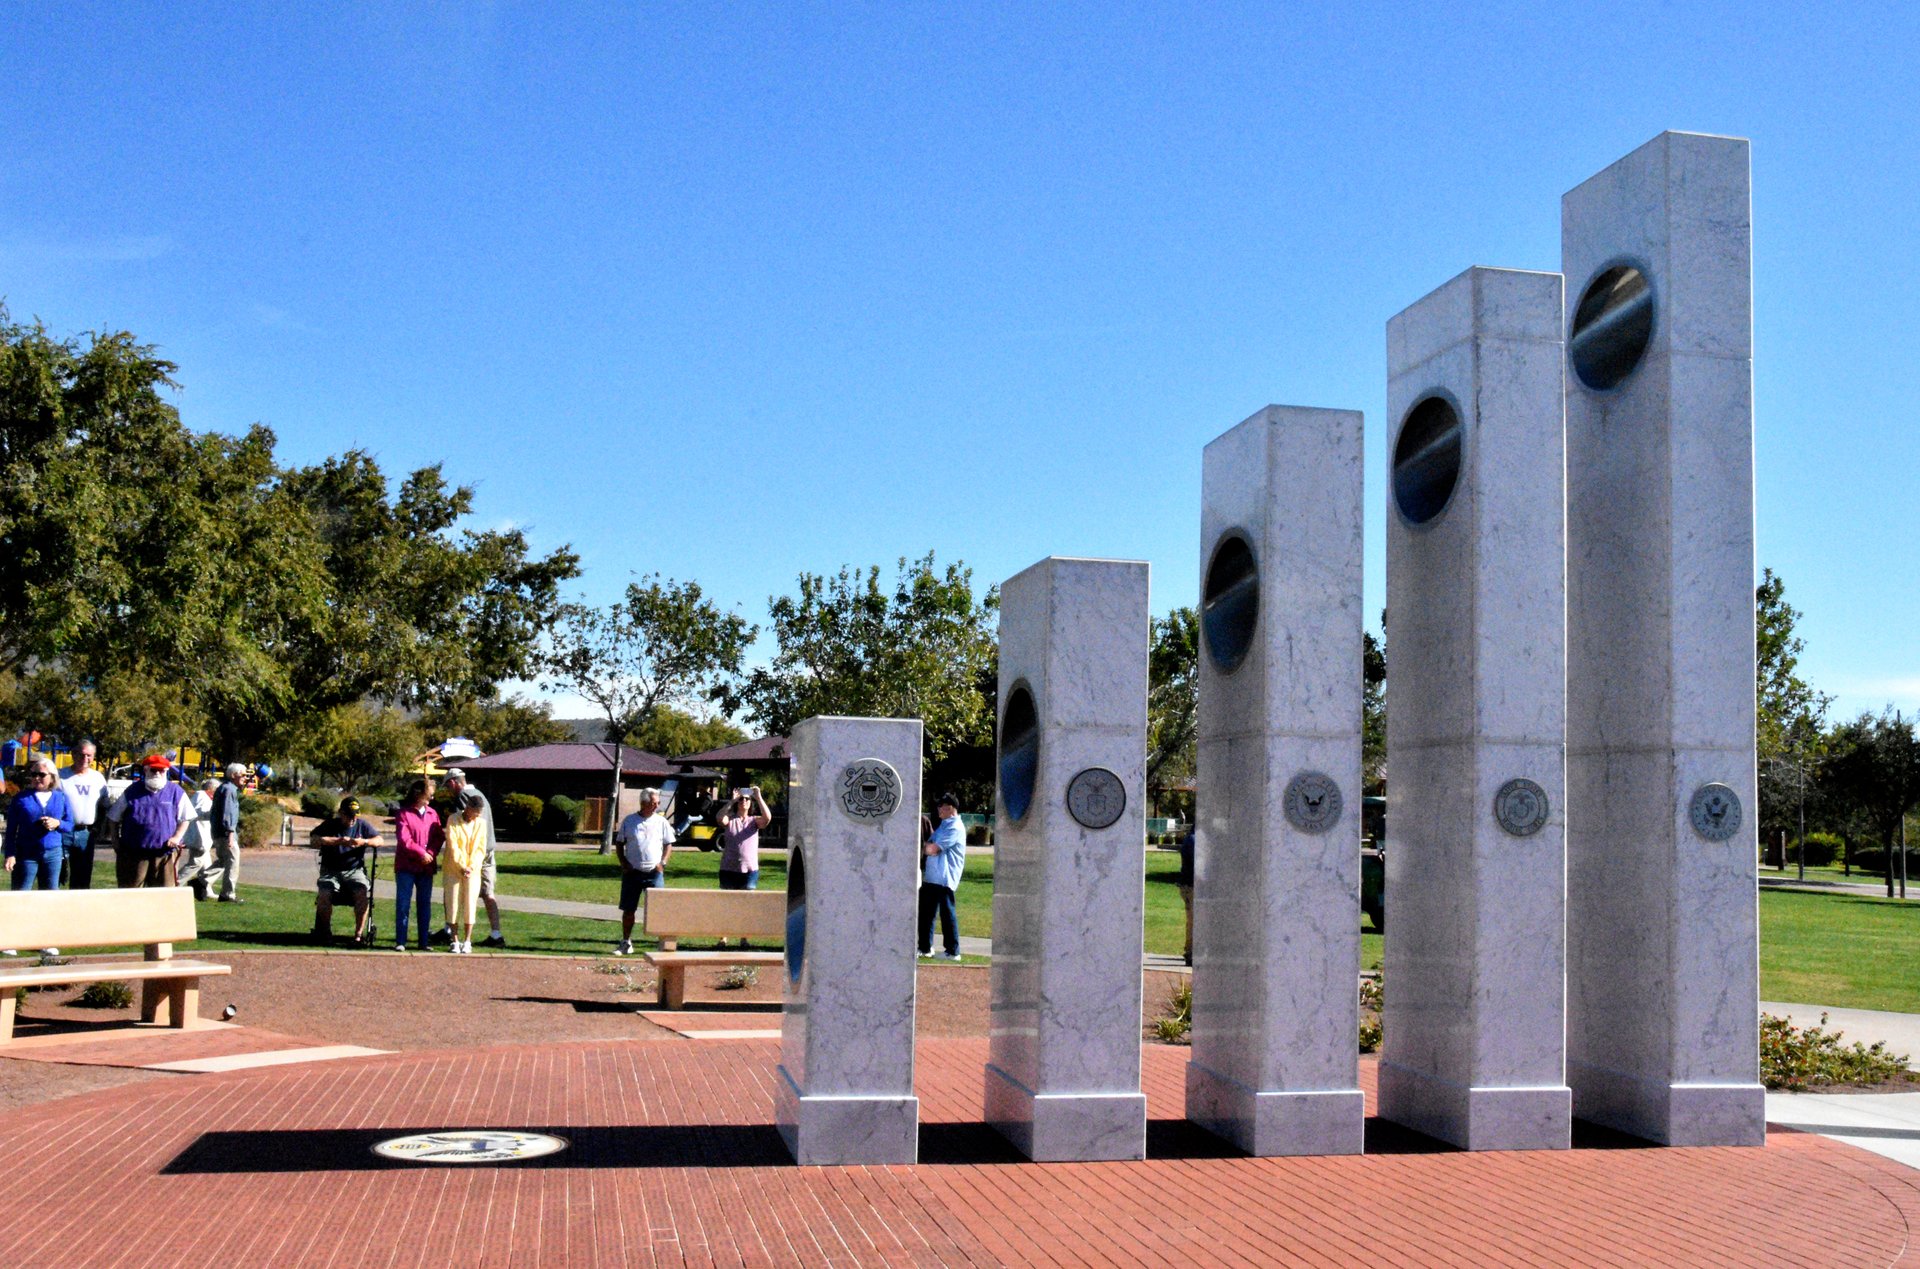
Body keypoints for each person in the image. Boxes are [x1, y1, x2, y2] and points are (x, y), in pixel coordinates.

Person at [106, 754, 194, 889]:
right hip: (134, 854)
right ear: (145, 770)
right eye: (153, 770)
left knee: (164, 896)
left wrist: (177, 837)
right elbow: (113, 817)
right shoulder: (132, 791)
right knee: (130, 893)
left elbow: (186, 818)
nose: (157, 773)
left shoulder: (176, 792)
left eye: (161, 770)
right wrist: (115, 841)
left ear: (166, 771)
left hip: (165, 853)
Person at [439, 769, 504, 947]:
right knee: (488, 893)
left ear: (453, 783)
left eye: (448, 786)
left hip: (472, 855)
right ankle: (496, 933)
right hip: (488, 850)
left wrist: (465, 863)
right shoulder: (480, 793)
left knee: (458, 893)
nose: (449, 791)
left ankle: (451, 932)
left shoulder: (465, 797)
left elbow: (464, 826)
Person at [308, 795, 382, 944]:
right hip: (331, 870)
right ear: (341, 813)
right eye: (349, 816)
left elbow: (379, 840)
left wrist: (364, 842)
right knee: (324, 893)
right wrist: (336, 841)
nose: (352, 820)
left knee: (362, 891)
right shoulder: (330, 825)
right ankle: (325, 932)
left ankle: (358, 934)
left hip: (354, 870)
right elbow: (313, 840)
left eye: (355, 816)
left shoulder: (362, 825)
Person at [612, 788, 675, 956]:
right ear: (644, 803)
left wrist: (663, 863)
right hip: (632, 873)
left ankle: (661, 944)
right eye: (654, 803)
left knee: (658, 909)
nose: (657, 806)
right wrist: (624, 863)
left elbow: (669, 844)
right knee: (628, 910)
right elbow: (619, 843)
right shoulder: (629, 821)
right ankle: (626, 942)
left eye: (658, 803)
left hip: (654, 873)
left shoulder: (662, 822)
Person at [391, 778, 444, 951]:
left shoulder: (432, 814)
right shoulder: (403, 814)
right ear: (418, 794)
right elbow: (404, 839)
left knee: (424, 904)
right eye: (428, 796)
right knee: (403, 904)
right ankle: (401, 941)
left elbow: (438, 837)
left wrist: (430, 853)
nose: (431, 799)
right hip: (406, 866)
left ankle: (423, 942)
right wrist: (420, 852)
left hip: (426, 867)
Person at [6, 758, 74, 893]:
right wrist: (10, 854)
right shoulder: (21, 798)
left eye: (42, 775)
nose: (37, 778)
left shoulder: (61, 797)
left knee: (50, 895)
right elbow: (11, 829)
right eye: (33, 775)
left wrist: (57, 823)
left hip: (53, 854)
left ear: (52, 777)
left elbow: (70, 824)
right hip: (26, 854)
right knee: (21, 893)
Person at [917, 792, 966, 961]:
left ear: (950, 808)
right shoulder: (944, 825)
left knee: (947, 915)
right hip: (932, 877)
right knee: (926, 914)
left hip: (944, 878)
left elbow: (933, 849)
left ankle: (953, 951)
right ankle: (925, 948)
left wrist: (918, 846)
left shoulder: (954, 827)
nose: (938, 809)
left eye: (941, 806)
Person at [442, 791, 488, 954]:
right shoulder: (453, 820)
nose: (476, 816)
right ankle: (454, 940)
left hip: (472, 871)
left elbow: (481, 848)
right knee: (452, 902)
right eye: (475, 812)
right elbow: (453, 845)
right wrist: (462, 865)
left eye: (479, 813)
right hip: (453, 869)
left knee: (470, 904)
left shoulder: (481, 824)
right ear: (468, 808)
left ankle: (467, 940)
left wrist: (471, 866)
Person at [58, 741, 107, 889]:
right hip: (62, 832)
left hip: (86, 833)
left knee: (82, 879)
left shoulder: (98, 778)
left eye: (89, 755)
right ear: (73, 754)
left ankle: (77, 910)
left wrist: (100, 828)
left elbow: (104, 805)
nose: (85, 758)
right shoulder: (60, 776)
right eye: (81, 754)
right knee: (56, 875)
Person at [205, 763, 246, 902]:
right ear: (234, 775)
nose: (245, 778)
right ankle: (228, 894)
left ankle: (201, 882)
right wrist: (230, 834)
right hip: (225, 833)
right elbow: (228, 814)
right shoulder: (229, 790)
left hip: (218, 832)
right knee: (232, 861)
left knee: (223, 861)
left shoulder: (224, 788)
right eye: (243, 775)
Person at [176, 777, 221, 900]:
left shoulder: (205, 797)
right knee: (195, 863)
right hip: (198, 837)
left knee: (206, 865)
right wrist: (213, 814)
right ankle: (175, 885)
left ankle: (206, 890)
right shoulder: (201, 795)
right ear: (211, 788)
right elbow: (197, 814)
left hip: (203, 837)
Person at [717, 786, 770, 890]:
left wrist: (758, 797)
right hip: (728, 870)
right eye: (741, 799)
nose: (744, 801)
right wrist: (732, 801)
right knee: (726, 901)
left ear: (750, 803)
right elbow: (719, 818)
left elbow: (767, 818)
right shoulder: (730, 820)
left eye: (747, 799)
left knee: (748, 899)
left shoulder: (754, 821)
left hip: (750, 870)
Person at [1177, 827, 1196, 966]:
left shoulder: (1190, 839)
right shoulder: (1193, 840)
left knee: (1192, 921)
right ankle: (1190, 954)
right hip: (1191, 886)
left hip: (1187, 885)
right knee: (1193, 921)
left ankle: (1190, 952)